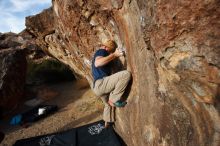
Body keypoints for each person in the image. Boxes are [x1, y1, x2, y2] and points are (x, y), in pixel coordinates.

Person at [92, 40, 131, 128]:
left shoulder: (101, 54)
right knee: (125, 74)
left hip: (97, 87)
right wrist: (114, 55)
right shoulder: (102, 51)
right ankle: (114, 100)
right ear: (106, 47)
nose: (109, 53)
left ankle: (107, 121)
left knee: (107, 104)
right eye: (109, 51)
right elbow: (98, 63)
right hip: (101, 84)